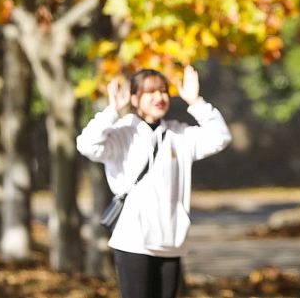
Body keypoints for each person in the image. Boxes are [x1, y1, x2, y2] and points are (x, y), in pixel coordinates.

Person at [76, 65, 231, 298]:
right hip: (134, 240)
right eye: (150, 92)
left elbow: (220, 137)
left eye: (163, 91)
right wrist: (112, 111)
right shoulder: (122, 133)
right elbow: (86, 145)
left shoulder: (179, 135)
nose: (159, 97)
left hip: (171, 240)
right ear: (134, 98)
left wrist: (196, 102)